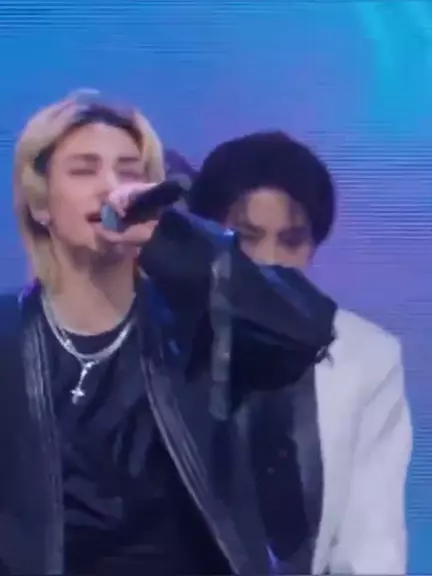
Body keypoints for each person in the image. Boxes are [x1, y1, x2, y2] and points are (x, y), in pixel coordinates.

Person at [0, 93, 336, 575]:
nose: (111, 187)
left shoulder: (199, 328)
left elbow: (304, 331)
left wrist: (174, 236)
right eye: (84, 170)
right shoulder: (9, 337)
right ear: (40, 204)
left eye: (129, 171)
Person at [187, 131, 413, 574]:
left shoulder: (367, 356)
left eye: (291, 241)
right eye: (246, 237)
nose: (269, 260)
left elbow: (372, 542)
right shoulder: (164, 336)